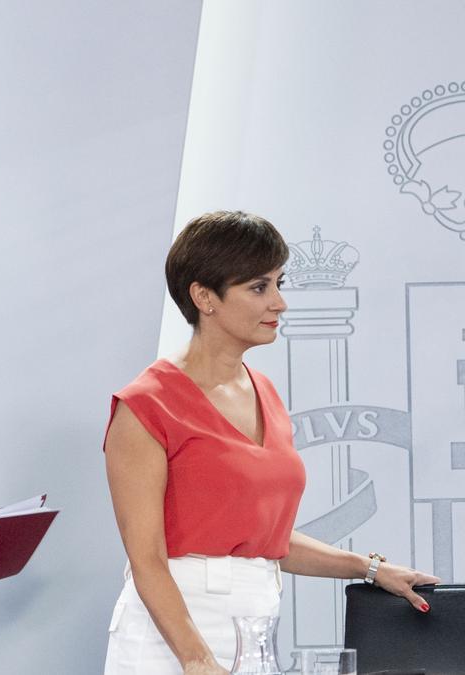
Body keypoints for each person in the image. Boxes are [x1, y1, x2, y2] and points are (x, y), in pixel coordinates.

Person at [102, 210, 439, 674]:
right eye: (259, 287)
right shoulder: (145, 406)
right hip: (171, 640)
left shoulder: (265, 392)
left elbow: (267, 541)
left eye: (280, 283)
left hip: (256, 631)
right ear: (203, 296)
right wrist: (198, 662)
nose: (279, 302)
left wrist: (371, 570)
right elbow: (147, 560)